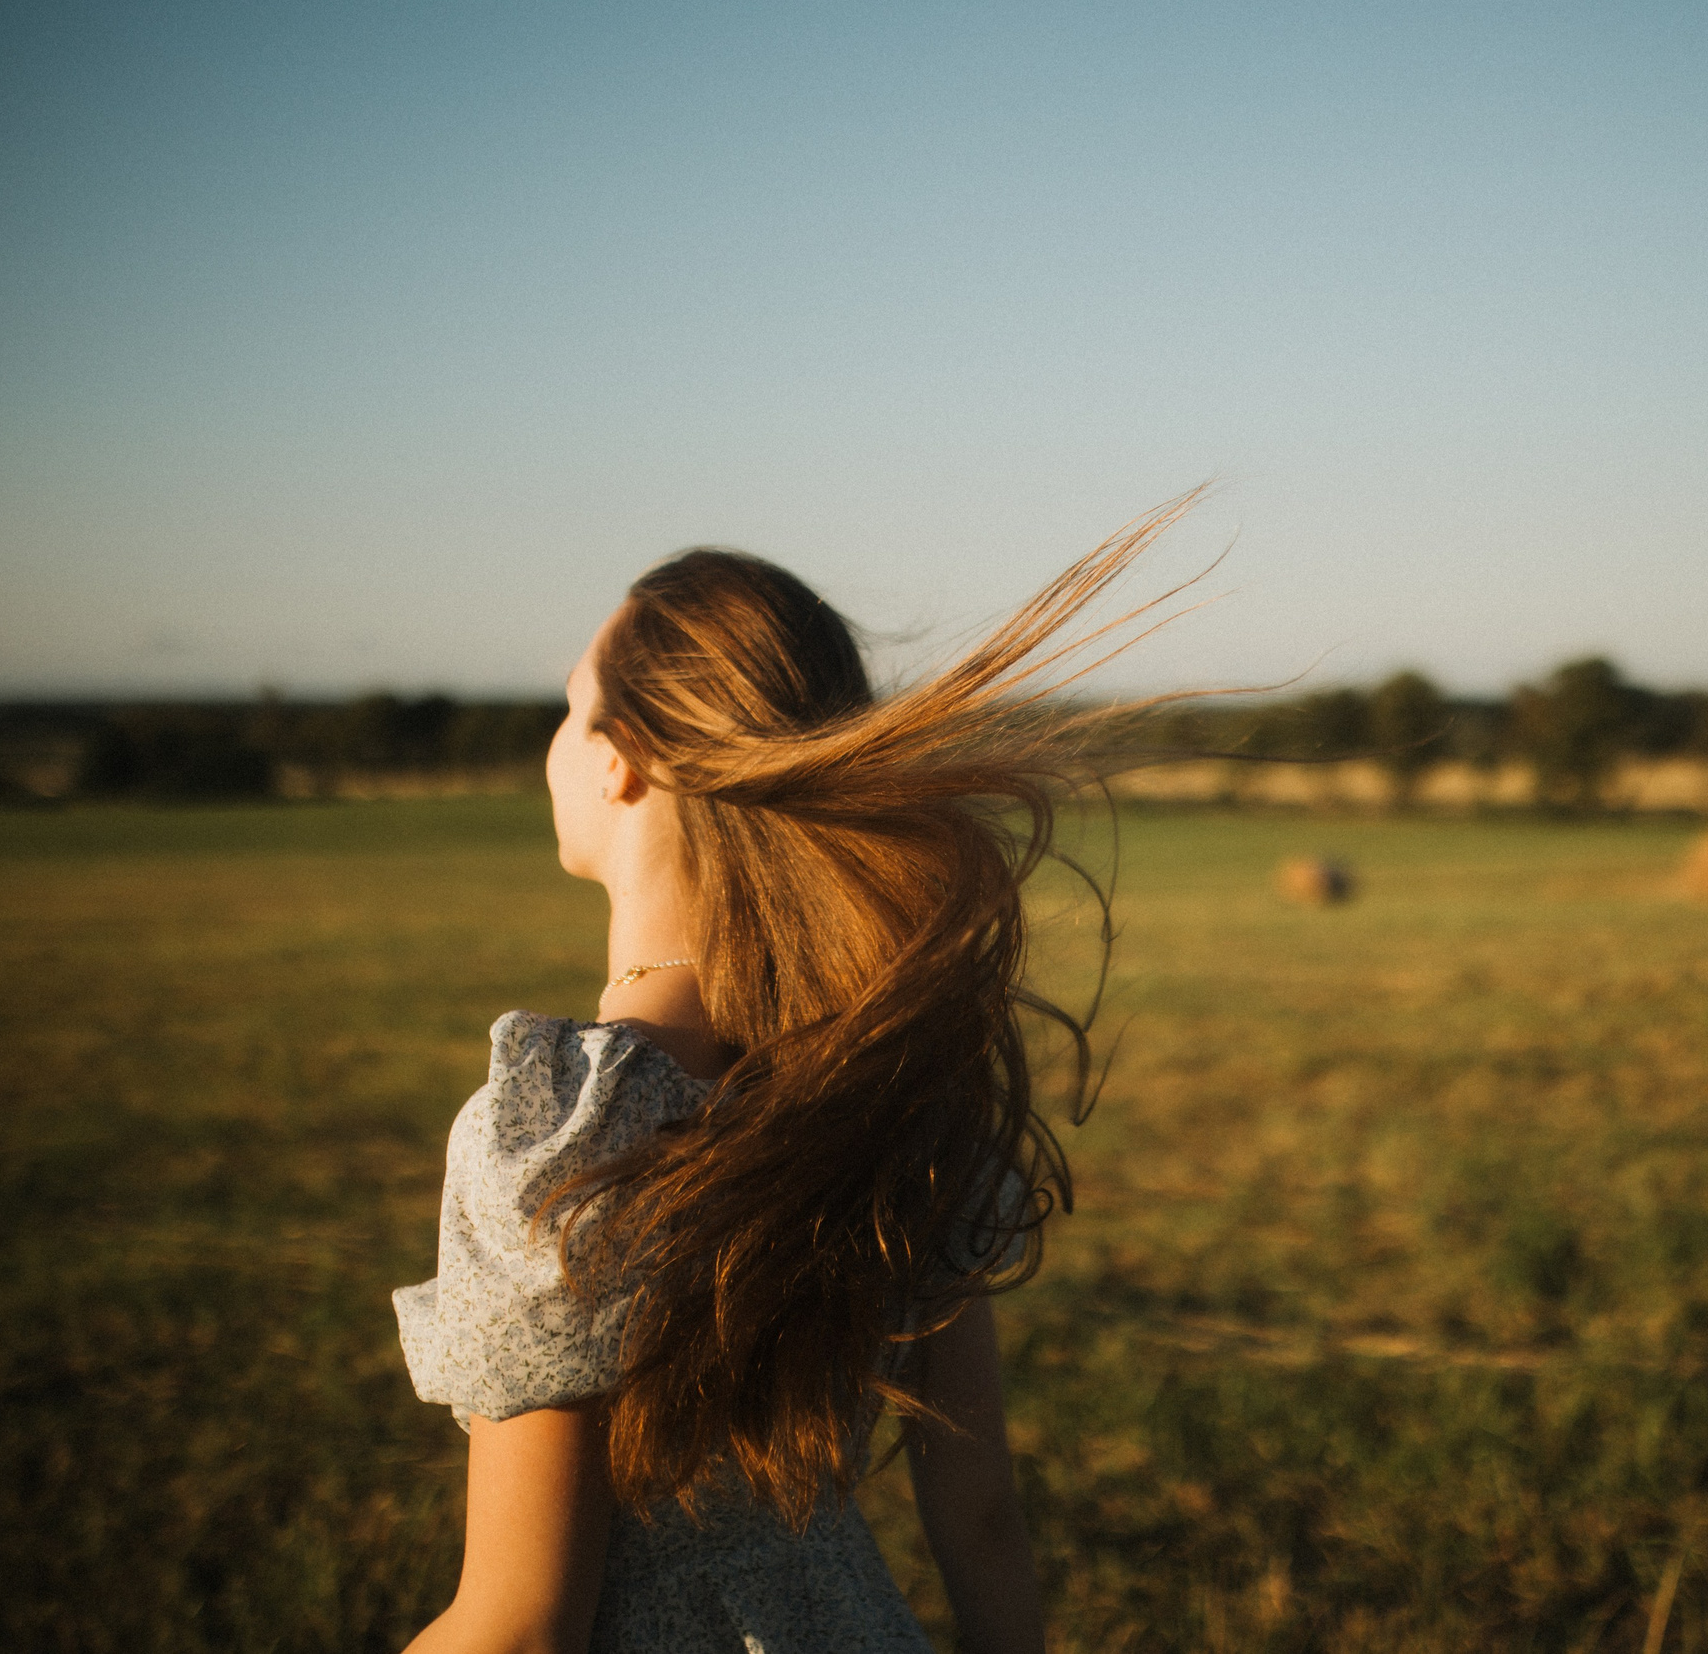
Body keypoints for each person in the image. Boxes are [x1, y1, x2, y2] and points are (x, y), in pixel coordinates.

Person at [393, 505, 1195, 1654]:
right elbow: (983, 1524)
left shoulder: (565, 1131)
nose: (558, 746)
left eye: (572, 710)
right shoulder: (891, 1086)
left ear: (625, 762)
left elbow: (521, 1626)